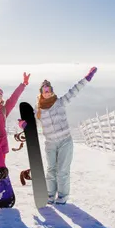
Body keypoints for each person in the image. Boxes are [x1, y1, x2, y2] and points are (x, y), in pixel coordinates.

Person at [18, 67, 97, 205]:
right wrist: (24, 125)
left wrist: (87, 78)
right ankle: (49, 195)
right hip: (50, 143)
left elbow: (74, 91)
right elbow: (33, 124)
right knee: (51, 170)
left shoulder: (60, 102)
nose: (47, 93)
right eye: (45, 91)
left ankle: (62, 196)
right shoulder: (38, 110)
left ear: (51, 91)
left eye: (49, 90)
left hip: (65, 140)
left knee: (62, 171)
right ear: (41, 93)